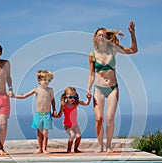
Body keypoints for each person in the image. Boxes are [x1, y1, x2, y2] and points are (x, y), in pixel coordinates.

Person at [87, 21, 138, 153]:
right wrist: (88, 89)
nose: (101, 37)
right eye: (99, 35)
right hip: (98, 89)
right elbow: (91, 75)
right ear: (95, 38)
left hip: (112, 88)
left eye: (104, 35)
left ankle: (108, 145)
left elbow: (133, 50)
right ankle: (100, 145)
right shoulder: (92, 55)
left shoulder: (113, 49)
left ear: (107, 37)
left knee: (109, 118)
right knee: (99, 119)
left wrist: (132, 33)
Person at [14, 70, 56, 154]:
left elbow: (53, 100)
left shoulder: (50, 90)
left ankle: (45, 149)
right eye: (45, 79)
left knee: (45, 133)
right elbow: (24, 95)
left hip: (47, 114)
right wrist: (14, 95)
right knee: (39, 133)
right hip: (38, 115)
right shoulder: (36, 90)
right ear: (39, 80)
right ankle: (40, 148)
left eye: (49, 80)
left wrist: (54, 110)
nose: (47, 81)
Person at [54, 87, 91, 153]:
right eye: (70, 97)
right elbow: (59, 115)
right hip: (66, 124)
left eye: (74, 97)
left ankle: (76, 149)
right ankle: (69, 149)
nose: (73, 99)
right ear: (66, 97)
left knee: (79, 136)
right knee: (72, 135)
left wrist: (89, 99)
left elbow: (86, 103)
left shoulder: (76, 103)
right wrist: (54, 115)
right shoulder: (64, 105)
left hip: (74, 124)